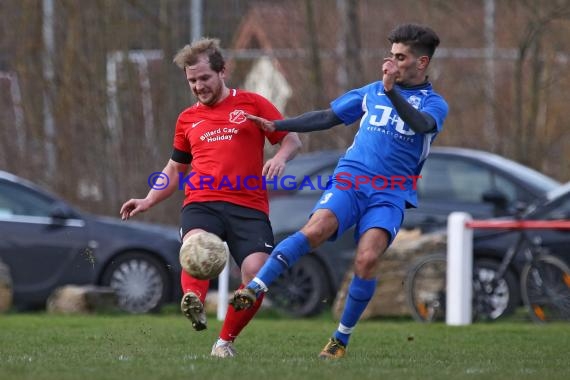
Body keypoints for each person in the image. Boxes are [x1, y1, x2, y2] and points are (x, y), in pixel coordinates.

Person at [231, 23, 448, 359]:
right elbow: (328, 117)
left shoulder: (434, 104)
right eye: (390, 55)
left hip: (391, 192)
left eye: (400, 57)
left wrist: (392, 92)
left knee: (367, 258)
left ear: (421, 63)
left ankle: (340, 339)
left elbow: (421, 126)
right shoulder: (373, 91)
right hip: (352, 177)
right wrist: (279, 125)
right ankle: (255, 287)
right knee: (316, 229)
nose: (389, 64)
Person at [120, 38, 301, 358]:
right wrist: (148, 199)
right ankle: (193, 300)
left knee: (257, 273)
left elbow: (290, 139)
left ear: (222, 72)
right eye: (192, 81)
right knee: (195, 244)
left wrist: (280, 158)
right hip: (202, 202)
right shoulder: (187, 119)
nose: (199, 86)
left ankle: (224, 341)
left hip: (249, 206)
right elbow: (175, 169)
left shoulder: (253, 104)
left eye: (204, 78)